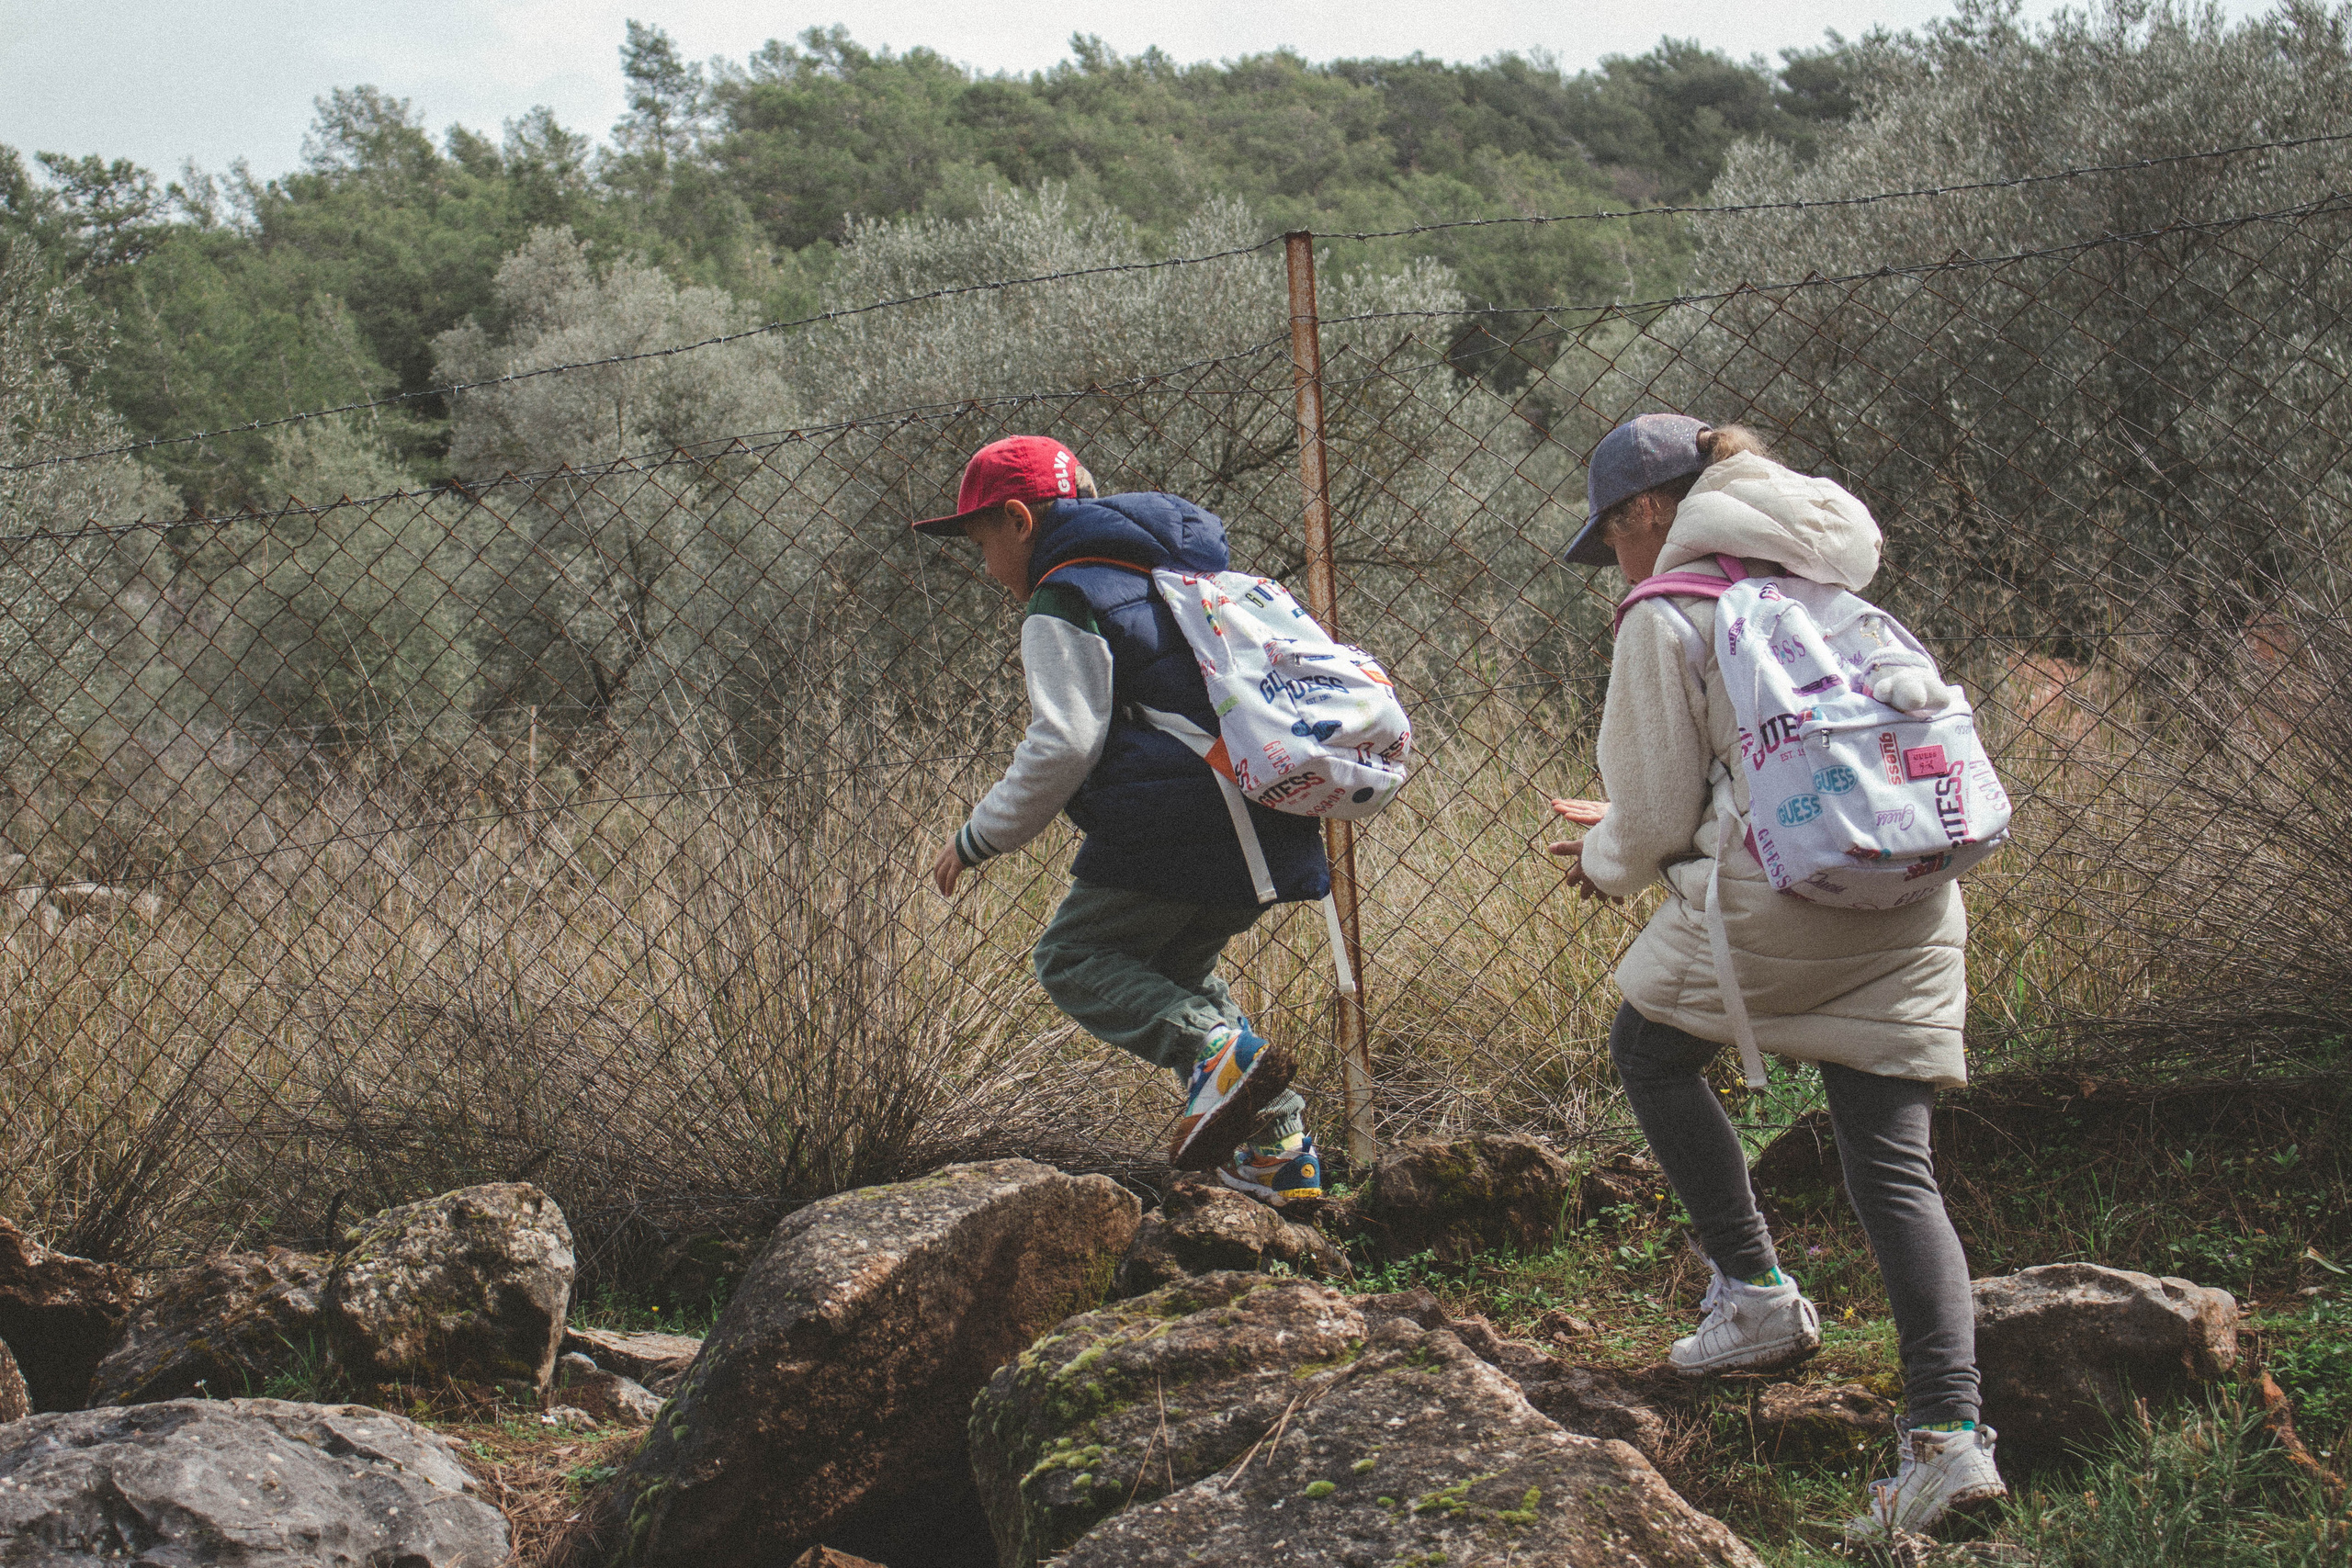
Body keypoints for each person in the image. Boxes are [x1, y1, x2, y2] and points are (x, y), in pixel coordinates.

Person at [1548, 413, 2007, 1537]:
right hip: (1902, 895)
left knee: (1648, 1052)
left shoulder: (1667, 612)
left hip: (1768, 907)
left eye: (1610, 533)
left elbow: (1656, 816)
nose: (1615, 557)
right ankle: (1949, 1445)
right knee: (1895, 1170)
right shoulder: (1831, 581)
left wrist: (1606, 857)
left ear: (1646, 511)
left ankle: (1753, 1294)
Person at [918, 434, 1332, 1199]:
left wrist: (978, 836)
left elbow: (1063, 742)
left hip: (1178, 819)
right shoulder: (1172, 569)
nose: (985, 568)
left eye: (981, 544)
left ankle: (1218, 1053)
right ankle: (1278, 1145)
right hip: (1263, 813)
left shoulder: (1065, 593)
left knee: (1074, 958)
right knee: (1175, 971)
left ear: (1018, 520)